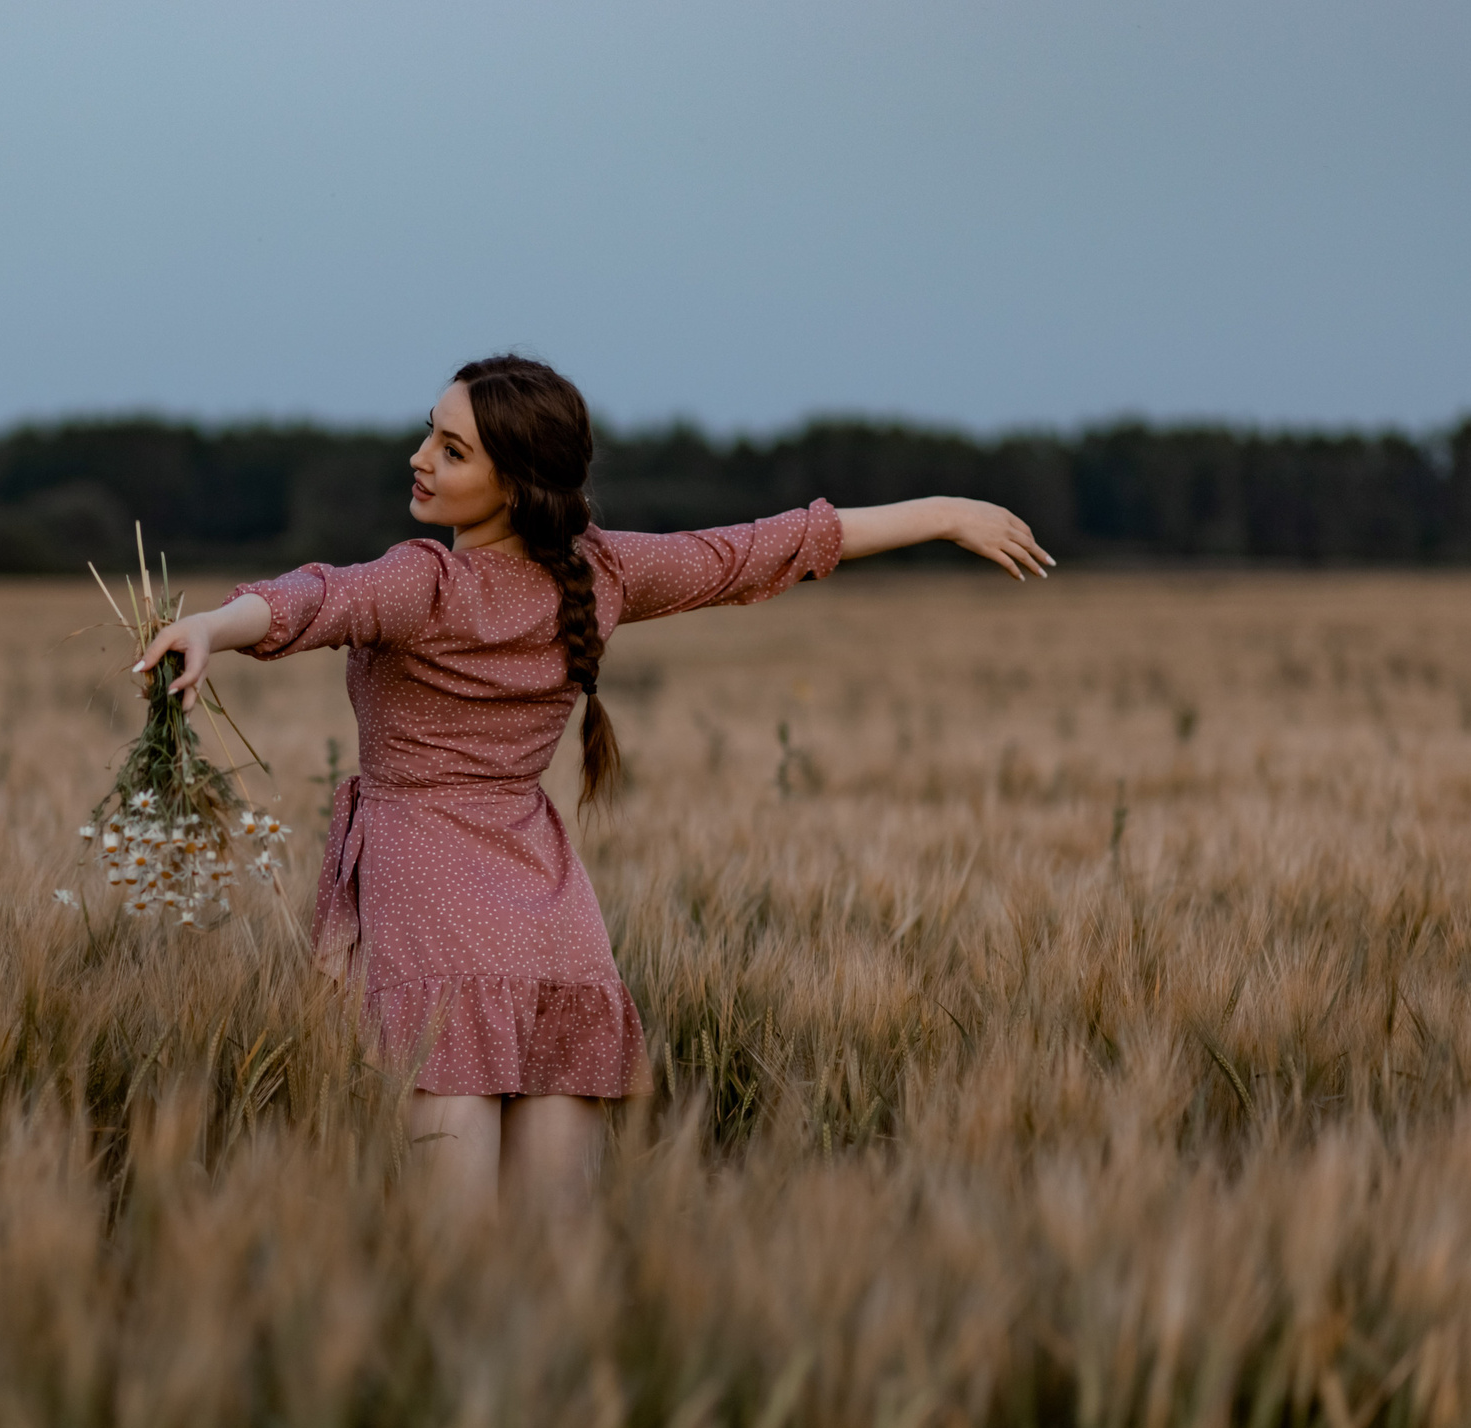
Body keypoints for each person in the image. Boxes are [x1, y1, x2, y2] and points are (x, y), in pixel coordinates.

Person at [136, 355, 1051, 1216]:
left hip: (430, 913)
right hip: (550, 916)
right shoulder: (602, 572)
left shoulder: (428, 583)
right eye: (429, 433)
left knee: (452, 1258)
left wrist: (216, 624)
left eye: (452, 450)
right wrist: (941, 510)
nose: (419, 458)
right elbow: (759, 549)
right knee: (554, 1256)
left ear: (515, 482)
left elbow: (315, 597)